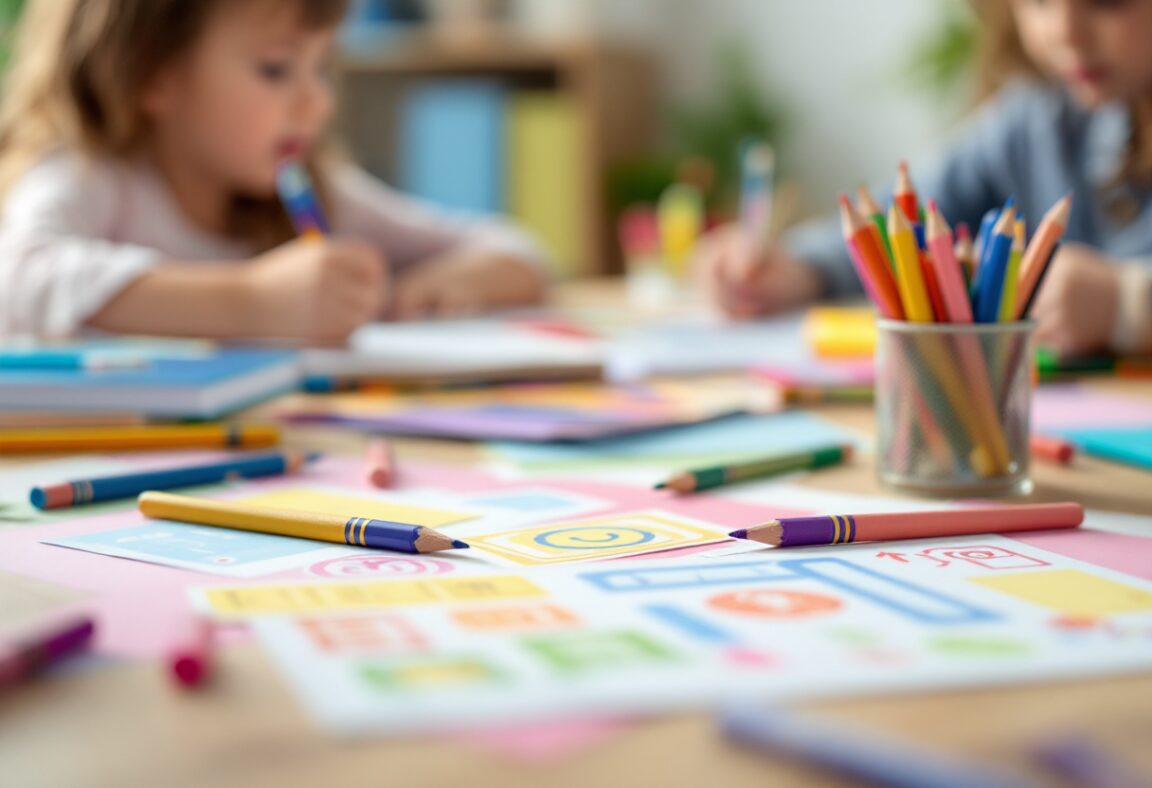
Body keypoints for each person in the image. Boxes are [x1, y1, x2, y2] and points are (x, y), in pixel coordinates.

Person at [0, 0, 547, 342]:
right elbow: (17, 279)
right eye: (276, 69)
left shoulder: (317, 191)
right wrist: (253, 301)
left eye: (322, 68)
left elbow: (517, 248)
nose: (317, 103)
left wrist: (444, 282)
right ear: (152, 75)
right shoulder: (94, 174)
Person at [696, 0, 1152, 357]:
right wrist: (798, 268)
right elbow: (898, 225)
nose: (1063, 31)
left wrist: (1130, 303)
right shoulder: (1034, 120)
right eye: (1037, 0)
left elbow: (1127, 303)